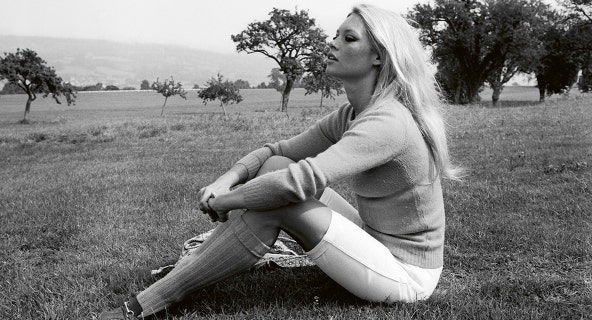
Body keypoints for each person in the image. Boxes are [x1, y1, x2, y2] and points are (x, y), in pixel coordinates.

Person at [100, 3, 462, 319]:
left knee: (278, 200)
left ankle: (157, 297)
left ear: (378, 57)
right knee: (273, 171)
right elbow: (278, 152)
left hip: (407, 276)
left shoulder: (388, 122)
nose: (333, 43)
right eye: (336, 35)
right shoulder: (353, 112)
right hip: (375, 240)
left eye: (349, 39)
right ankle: (201, 263)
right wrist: (227, 179)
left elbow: (300, 180)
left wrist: (227, 202)